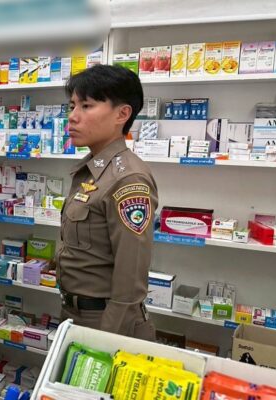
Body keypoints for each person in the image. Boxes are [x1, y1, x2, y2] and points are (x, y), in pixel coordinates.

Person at [56, 65, 158, 340]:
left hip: (106, 322)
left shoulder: (128, 179)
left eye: (86, 106)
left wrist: (107, 342)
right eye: (72, 106)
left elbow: (130, 280)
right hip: (75, 314)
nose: (73, 116)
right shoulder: (92, 171)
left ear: (122, 114)